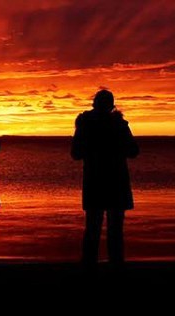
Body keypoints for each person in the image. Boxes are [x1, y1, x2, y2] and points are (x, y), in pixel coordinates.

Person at [71, 90, 139, 268]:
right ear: (110, 106)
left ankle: (89, 265)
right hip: (115, 181)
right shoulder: (119, 125)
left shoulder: (86, 125)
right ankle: (115, 265)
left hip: (95, 181)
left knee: (93, 227)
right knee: (114, 229)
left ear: (95, 104)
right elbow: (133, 151)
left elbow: (75, 153)